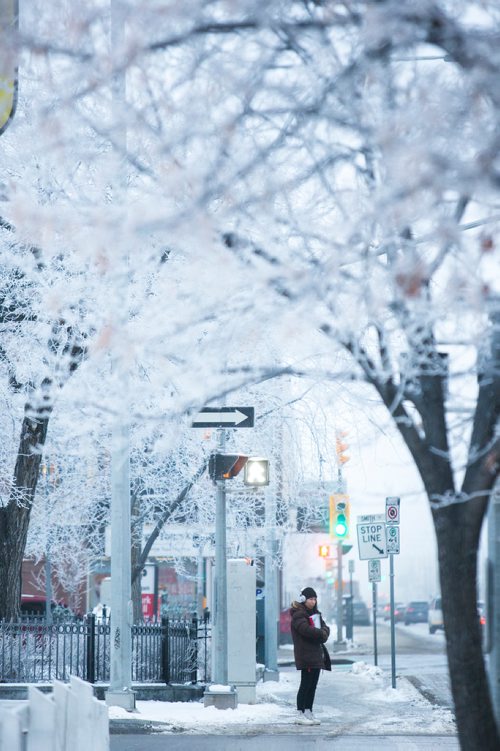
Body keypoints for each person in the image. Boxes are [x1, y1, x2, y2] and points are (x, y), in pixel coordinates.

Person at [290, 586, 331, 725]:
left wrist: (322, 633)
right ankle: (299, 712)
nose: (313, 601)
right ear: (303, 599)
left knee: (313, 685)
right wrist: (320, 633)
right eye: (310, 599)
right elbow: (306, 630)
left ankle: (308, 710)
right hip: (306, 655)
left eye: (314, 599)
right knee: (305, 684)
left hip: (315, 655)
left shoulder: (316, 614)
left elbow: (326, 628)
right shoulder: (299, 615)